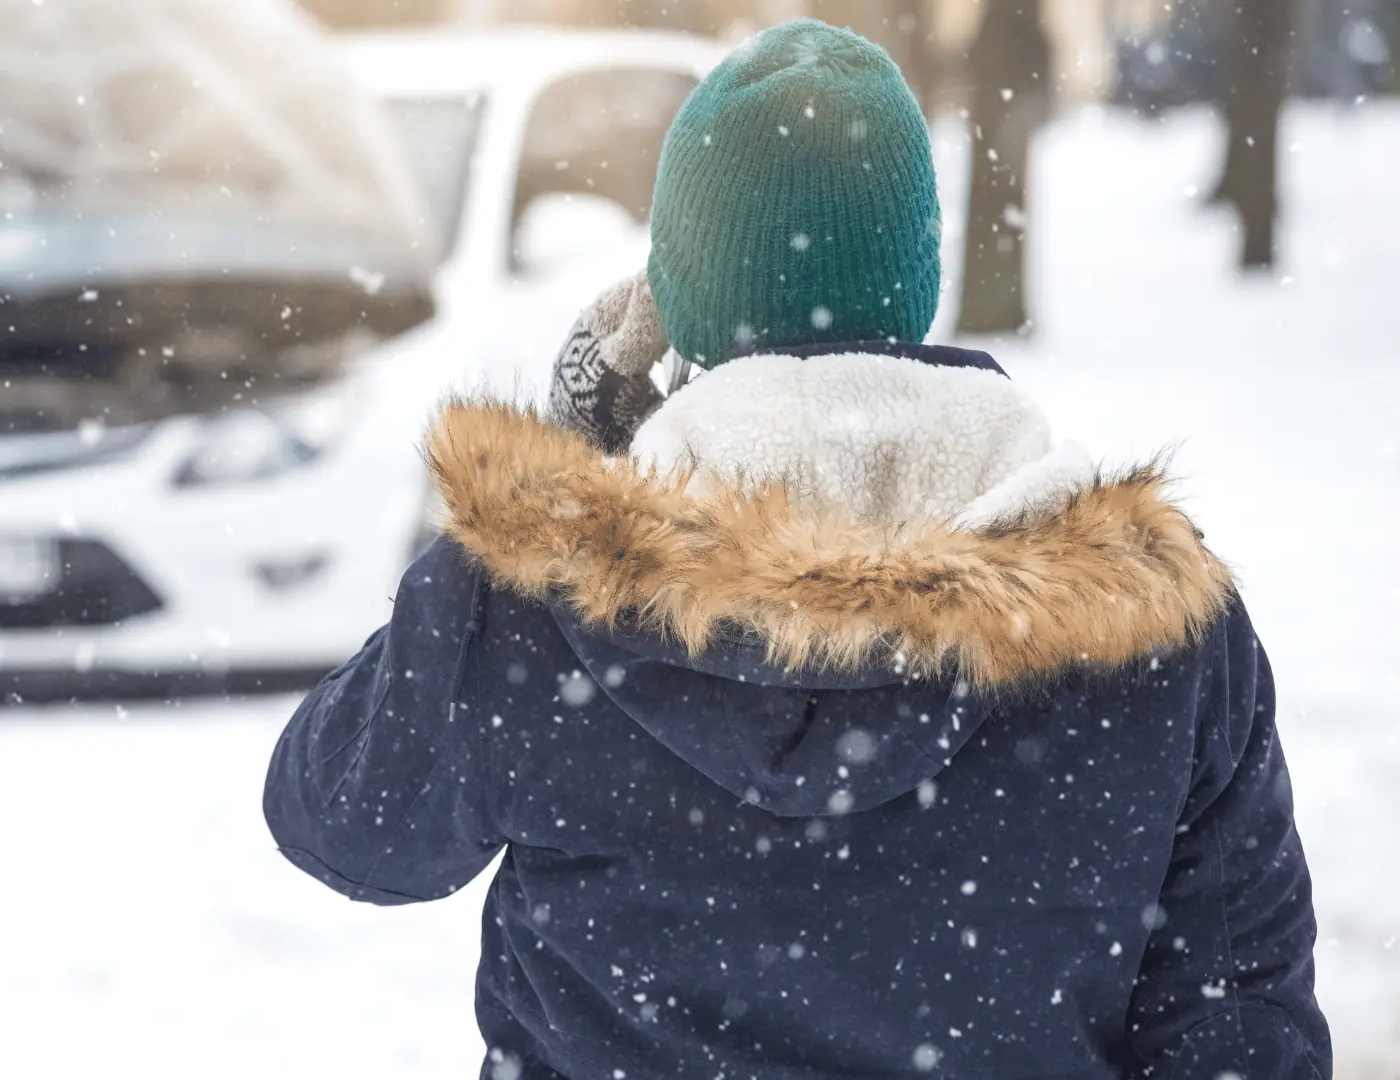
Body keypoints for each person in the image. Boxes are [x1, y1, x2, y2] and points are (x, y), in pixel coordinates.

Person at [264, 19, 1329, 1080]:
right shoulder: (1152, 622)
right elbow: (1240, 1032)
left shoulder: (540, 604)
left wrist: (567, 485)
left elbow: (342, 820)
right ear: (917, 274)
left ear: (671, 307)